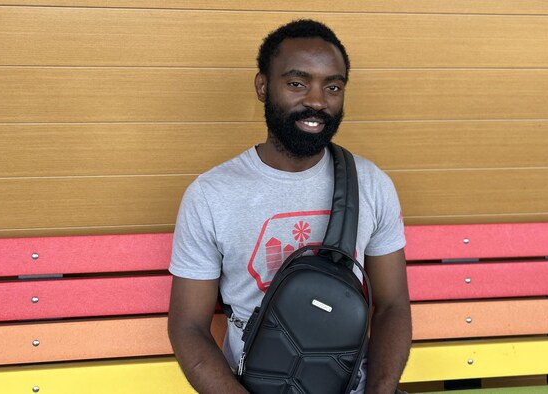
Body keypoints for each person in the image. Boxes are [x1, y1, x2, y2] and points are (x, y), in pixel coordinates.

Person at [167, 19, 412, 394]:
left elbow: (393, 304)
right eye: (297, 83)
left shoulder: (371, 184)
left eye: (333, 86)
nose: (316, 101)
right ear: (263, 86)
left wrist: (379, 390)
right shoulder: (211, 195)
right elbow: (188, 327)